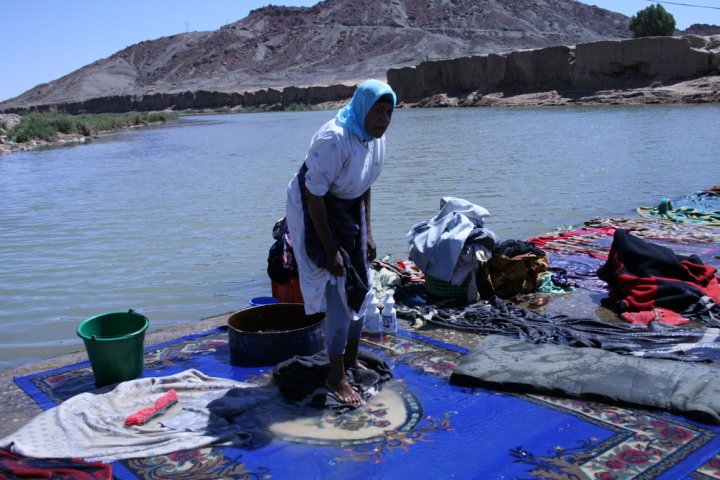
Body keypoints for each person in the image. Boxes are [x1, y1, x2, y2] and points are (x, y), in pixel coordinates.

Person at [285, 79, 396, 405]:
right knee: (339, 284)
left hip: (350, 205)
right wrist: (331, 248)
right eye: (377, 111)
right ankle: (336, 373)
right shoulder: (334, 139)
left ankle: (349, 358)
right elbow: (313, 193)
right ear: (363, 108)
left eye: (389, 112)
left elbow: (366, 182)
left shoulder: (375, 140)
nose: (383, 119)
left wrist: (369, 232)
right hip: (316, 205)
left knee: (362, 280)